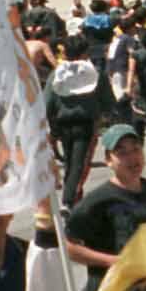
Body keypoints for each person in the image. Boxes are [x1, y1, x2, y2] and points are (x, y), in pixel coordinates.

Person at [65, 125, 146, 291]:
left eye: (136, 149)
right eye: (122, 152)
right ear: (108, 160)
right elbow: (69, 247)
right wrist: (115, 262)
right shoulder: (96, 201)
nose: (132, 158)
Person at [46, 35, 111, 206]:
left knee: (70, 162)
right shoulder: (95, 73)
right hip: (86, 124)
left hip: (63, 125)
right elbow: (108, 102)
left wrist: (51, 128)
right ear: (85, 53)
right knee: (80, 164)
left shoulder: (57, 74)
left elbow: (47, 103)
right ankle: (69, 199)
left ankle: (72, 197)